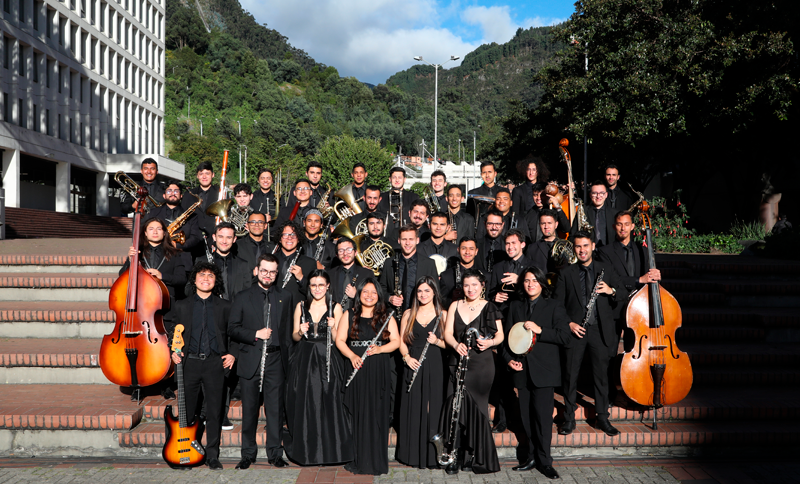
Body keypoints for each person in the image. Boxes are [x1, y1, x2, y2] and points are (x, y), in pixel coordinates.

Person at [554, 231, 626, 437]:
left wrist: (610, 291)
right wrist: (569, 324)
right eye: (578, 246)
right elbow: (557, 306)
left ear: (593, 246)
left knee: (601, 376)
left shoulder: (607, 269)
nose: (582, 250)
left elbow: (622, 292)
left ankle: (602, 417)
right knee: (570, 375)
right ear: (574, 249)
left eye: (585, 246)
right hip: (576, 329)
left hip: (599, 329)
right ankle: (568, 418)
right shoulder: (566, 273)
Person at [500, 266, 569, 479]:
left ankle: (545, 461)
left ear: (542, 283)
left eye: (535, 280)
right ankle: (529, 457)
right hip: (522, 371)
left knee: (542, 418)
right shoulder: (515, 306)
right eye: (527, 280)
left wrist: (541, 331)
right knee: (526, 418)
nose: (531, 284)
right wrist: (509, 360)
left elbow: (565, 337)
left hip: (545, 372)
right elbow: (506, 340)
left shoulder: (554, 306)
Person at [228, 254, 295, 469]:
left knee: (275, 411)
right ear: (257, 270)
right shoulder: (242, 296)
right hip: (251, 359)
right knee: (250, 411)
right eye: (264, 270)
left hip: (276, 359)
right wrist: (255, 333)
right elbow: (233, 328)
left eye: (272, 271)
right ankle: (248, 454)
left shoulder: (286, 296)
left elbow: (287, 333)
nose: (268, 275)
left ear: (277, 274)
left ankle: (275, 454)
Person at [167, 262, 234, 470]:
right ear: (194, 279)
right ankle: (185, 453)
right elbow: (170, 330)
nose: (206, 279)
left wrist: (233, 354)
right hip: (190, 364)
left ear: (216, 281)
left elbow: (234, 333)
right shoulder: (181, 305)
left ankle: (212, 455)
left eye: (211, 276)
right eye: (202, 275)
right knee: (187, 411)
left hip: (215, 363)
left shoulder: (225, 306)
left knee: (214, 412)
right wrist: (173, 351)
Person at [285, 270, 353, 465]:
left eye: (321, 285)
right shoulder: (301, 306)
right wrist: (300, 330)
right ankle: (309, 450)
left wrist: (333, 328)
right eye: (313, 285)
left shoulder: (336, 307)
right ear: (309, 287)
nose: (317, 289)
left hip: (328, 357)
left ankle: (332, 451)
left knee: (330, 399)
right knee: (307, 400)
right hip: (305, 358)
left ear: (328, 286)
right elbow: (294, 337)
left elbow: (339, 340)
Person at [335, 277, 400, 475]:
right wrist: (352, 355)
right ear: (359, 293)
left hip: (377, 366)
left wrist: (380, 350)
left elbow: (396, 341)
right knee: (358, 412)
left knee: (376, 412)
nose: (369, 296)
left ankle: (375, 461)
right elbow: (339, 340)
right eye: (365, 292)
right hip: (356, 366)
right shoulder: (349, 314)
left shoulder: (387, 315)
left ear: (379, 295)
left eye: (373, 292)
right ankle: (358, 459)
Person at [440, 269, 503, 474]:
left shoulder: (489, 307)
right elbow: (447, 334)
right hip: (457, 363)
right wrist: (455, 345)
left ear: (482, 286)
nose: (471, 289)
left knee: (477, 411)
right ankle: (454, 456)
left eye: (475, 285)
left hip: (481, 366)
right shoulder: (455, 305)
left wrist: (490, 343)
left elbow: (501, 335)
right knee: (454, 409)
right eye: (467, 285)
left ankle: (473, 455)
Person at [396, 276, 447, 469]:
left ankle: (433, 455)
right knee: (413, 405)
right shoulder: (409, 313)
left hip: (435, 363)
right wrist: (406, 357)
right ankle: (412, 454)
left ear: (434, 292)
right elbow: (401, 341)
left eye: (427, 290)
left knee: (433, 406)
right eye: (419, 291)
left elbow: (449, 343)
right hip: (413, 362)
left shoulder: (443, 313)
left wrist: (437, 342)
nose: (423, 294)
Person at [121, 217, 187, 318]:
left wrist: (163, 276)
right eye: (151, 229)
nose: (155, 232)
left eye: (159, 229)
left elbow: (182, 279)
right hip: (140, 305)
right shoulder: (137, 252)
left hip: (165, 307)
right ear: (145, 233)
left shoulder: (174, 254)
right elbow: (122, 276)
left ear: (164, 233)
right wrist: (130, 261)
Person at [379, 225, 440, 313]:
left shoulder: (429, 263)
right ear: (399, 240)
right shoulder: (389, 262)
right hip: (395, 315)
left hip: (421, 314)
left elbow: (436, 291)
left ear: (417, 240)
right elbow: (381, 289)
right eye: (404, 239)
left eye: (411, 239)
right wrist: (389, 298)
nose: (407, 243)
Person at [147, 182, 201, 252]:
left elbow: (196, 238)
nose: (173, 193)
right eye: (169, 191)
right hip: (158, 254)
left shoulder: (192, 215)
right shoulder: (152, 213)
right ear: (164, 195)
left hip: (182, 256)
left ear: (181, 195)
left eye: (176, 191)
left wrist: (177, 246)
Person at [274, 221, 317, 303]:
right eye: (285, 234)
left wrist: (301, 278)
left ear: (298, 239)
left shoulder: (309, 263)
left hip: (297, 310)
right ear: (280, 238)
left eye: (293, 235)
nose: (289, 238)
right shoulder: (270, 260)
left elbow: (314, 293)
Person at [326, 237, 373, 312]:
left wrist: (356, 295)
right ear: (337, 255)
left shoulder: (367, 273)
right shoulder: (330, 274)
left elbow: (374, 298)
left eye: (349, 250)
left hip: (359, 317)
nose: (345, 253)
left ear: (355, 252)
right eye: (341, 251)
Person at [439, 237, 480, 309]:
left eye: (471, 249)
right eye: (464, 248)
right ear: (458, 250)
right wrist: (452, 298)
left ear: (476, 251)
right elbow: (440, 303)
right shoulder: (446, 276)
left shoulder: (485, 275)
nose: (467, 252)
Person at [572, 181, 616, 248]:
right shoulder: (583, 211)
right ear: (590, 195)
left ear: (606, 195)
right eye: (595, 193)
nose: (598, 196)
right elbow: (572, 234)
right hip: (588, 254)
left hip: (609, 253)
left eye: (601, 193)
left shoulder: (614, 213)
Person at [378, 167, 420, 234]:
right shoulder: (382, 197)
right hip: (387, 236)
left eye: (400, 177)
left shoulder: (413, 197)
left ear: (404, 179)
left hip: (407, 235)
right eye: (394, 177)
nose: (397, 180)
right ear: (390, 179)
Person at [183, 162, 220, 235]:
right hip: (193, 238)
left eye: (207, 173)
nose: (204, 176)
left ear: (213, 175)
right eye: (201, 174)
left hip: (215, 237)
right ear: (197, 176)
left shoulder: (221, 193)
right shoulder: (188, 194)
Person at [525, 209, 562, 274]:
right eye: (543, 223)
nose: (546, 227)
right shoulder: (532, 249)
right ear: (539, 225)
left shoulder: (565, 245)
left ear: (556, 224)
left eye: (549, 223)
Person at [475, 210, 507, 275]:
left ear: (503, 224)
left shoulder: (508, 244)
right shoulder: (476, 244)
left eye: (498, 224)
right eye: (490, 224)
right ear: (484, 224)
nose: (494, 227)